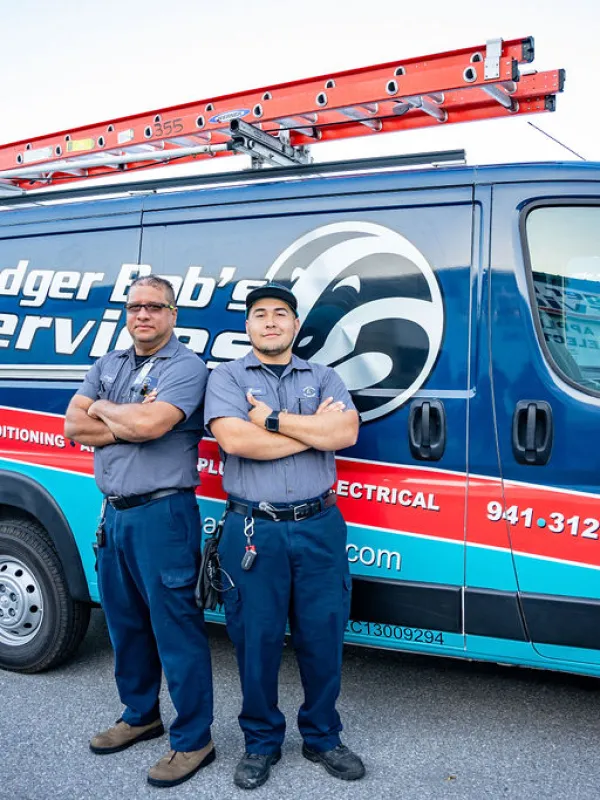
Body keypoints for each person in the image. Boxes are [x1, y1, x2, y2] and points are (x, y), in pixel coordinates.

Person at [204, 281, 365, 790]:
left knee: (323, 636)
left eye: (280, 313)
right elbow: (236, 440)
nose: (270, 321)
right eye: (260, 314)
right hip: (254, 530)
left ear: (295, 324)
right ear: (248, 325)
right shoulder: (226, 377)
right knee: (256, 640)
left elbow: (345, 433)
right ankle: (260, 741)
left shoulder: (324, 376)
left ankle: (322, 736)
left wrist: (270, 420)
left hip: (319, 526)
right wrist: (310, 431)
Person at [64, 276, 215, 789]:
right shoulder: (108, 363)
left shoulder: (187, 366)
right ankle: (140, 715)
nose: (143, 315)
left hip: (163, 515)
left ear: (173, 314)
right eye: (135, 307)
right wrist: (125, 419)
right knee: (124, 624)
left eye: (154, 306)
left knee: (176, 629)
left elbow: (152, 426)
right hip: (115, 514)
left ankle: (193, 740)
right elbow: (73, 426)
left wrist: (103, 408)